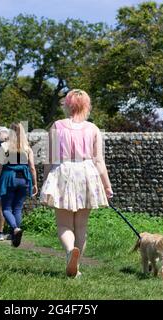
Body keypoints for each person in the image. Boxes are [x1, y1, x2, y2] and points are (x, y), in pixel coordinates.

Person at [40, 89, 114, 278]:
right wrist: (107, 186)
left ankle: (68, 253)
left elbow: (49, 158)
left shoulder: (57, 126)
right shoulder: (93, 129)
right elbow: (99, 161)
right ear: (87, 106)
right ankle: (76, 265)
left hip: (63, 172)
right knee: (81, 226)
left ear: (67, 105)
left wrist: (45, 182)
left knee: (64, 225)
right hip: (86, 173)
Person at [0, 123, 38, 247]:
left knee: (7, 208)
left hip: (9, 178)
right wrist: (35, 184)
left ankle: (15, 229)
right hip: (24, 178)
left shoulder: (4, 146)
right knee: (18, 208)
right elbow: (32, 168)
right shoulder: (27, 148)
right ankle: (15, 236)